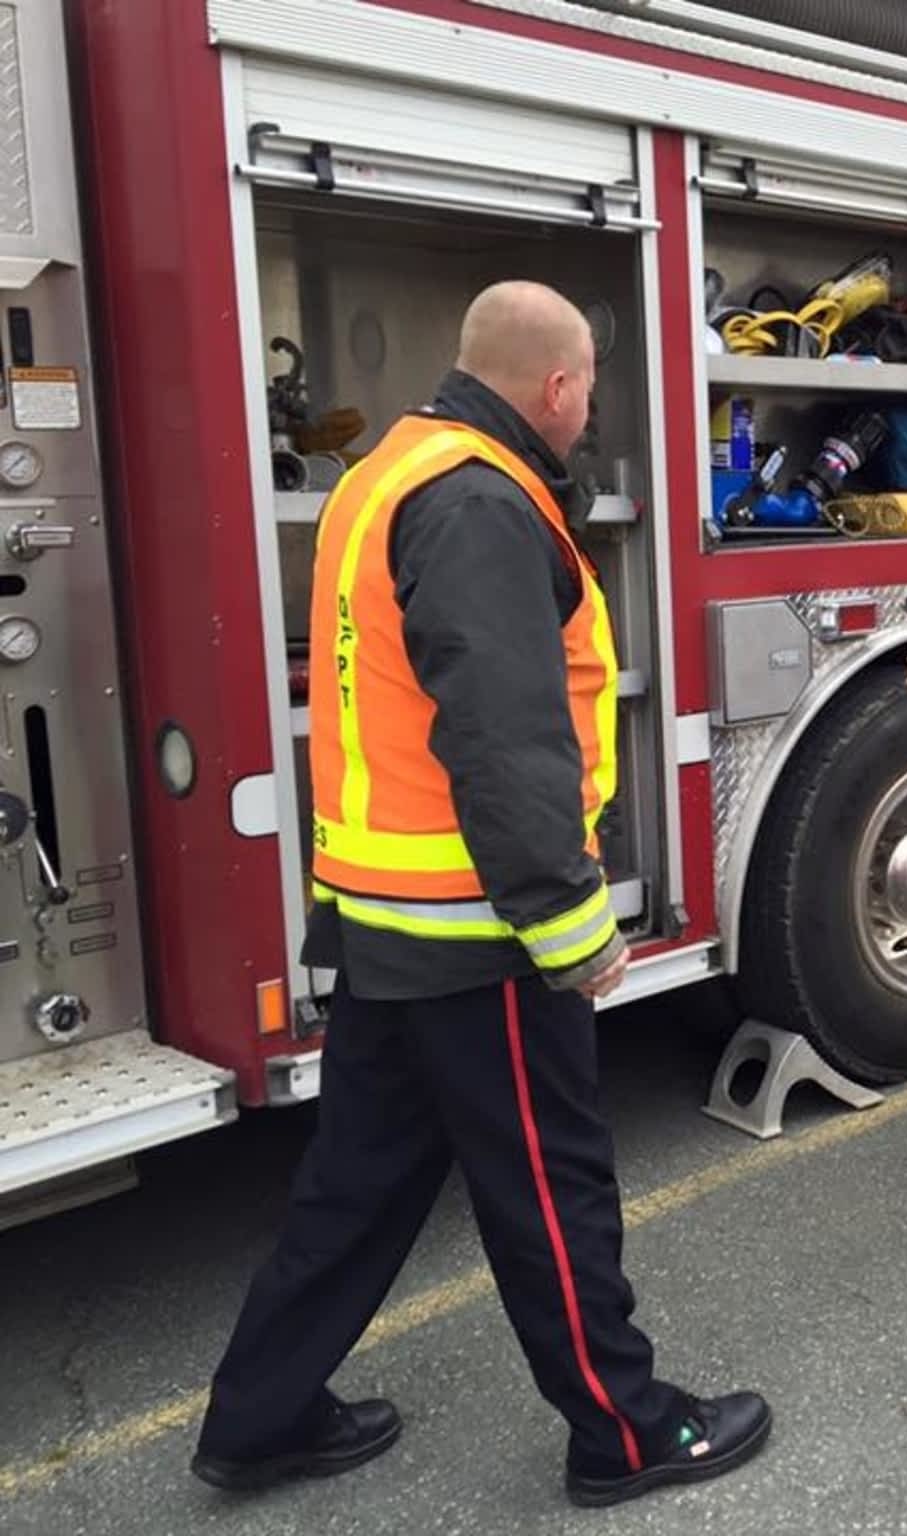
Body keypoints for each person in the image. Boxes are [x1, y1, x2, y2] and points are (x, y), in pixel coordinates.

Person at [192, 282, 770, 1508]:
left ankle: (259, 1415)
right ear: (557, 387)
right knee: (552, 1192)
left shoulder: (389, 474)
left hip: (390, 919)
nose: (588, 410)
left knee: (357, 1185)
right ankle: (622, 1431)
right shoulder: (480, 503)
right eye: (590, 392)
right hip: (480, 932)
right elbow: (503, 738)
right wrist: (572, 927)